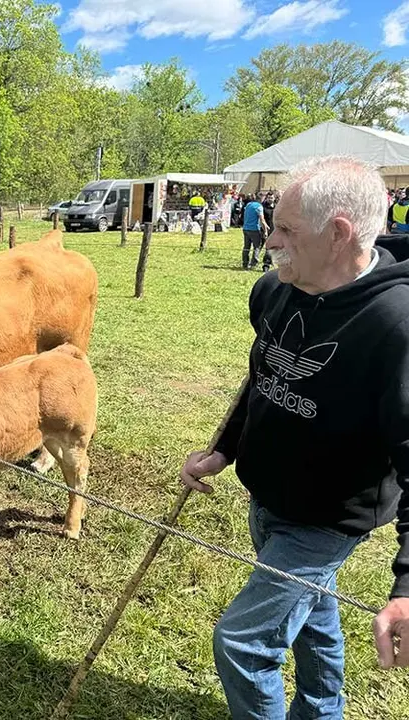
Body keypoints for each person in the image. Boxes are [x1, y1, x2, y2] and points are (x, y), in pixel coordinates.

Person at [180, 156, 409, 720]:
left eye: (285, 230)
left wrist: (408, 587)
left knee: (243, 642)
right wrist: (224, 452)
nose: (269, 239)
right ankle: (321, 711)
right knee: (313, 619)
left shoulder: (396, 326)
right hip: (268, 496)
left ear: (338, 234)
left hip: (328, 518)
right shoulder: (275, 290)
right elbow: (263, 379)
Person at [241, 193, 269, 270]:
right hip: (254, 229)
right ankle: (254, 263)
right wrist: (266, 231)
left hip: (245, 228)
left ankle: (245, 263)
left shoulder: (249, 204)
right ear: (261, 199)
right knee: (257, 246)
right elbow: (262, 220)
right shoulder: (259, 206)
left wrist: (266, 225)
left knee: (246, 247)